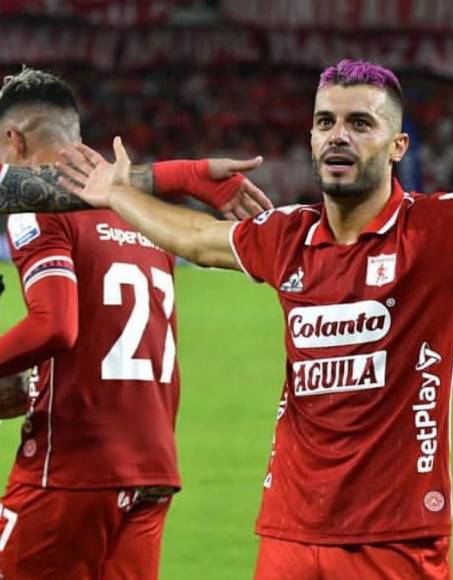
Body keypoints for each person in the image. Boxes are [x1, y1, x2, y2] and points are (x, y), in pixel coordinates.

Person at [59, 54, 453, 579]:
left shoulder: (441, 230)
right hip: (290, 532)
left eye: (359, 123)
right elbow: (197, 238)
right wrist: (119, 194)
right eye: (325, 122)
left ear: (399, 145)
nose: (337, 136)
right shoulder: (286, 236)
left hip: (396, 539)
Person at [0, 67, 271, 579]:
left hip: (71, 468)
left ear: (13, 140)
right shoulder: (139, 214)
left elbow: (56, 325)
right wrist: (186, 176)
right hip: (152, 469)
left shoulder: (38, 212)